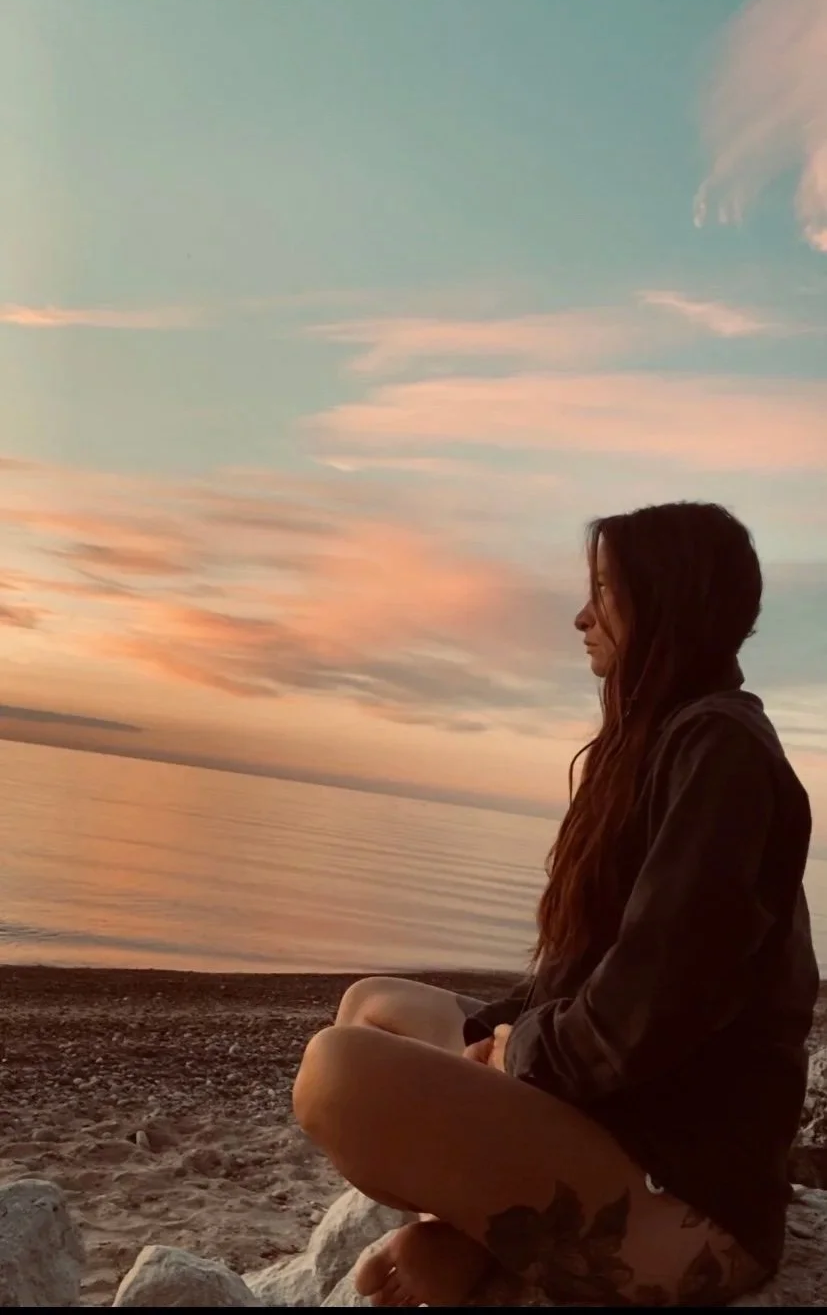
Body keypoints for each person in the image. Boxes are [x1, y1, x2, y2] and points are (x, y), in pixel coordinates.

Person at [292, 501, 819, 1307]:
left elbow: (654, 999)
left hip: (685, 1196)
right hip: (620, 1119)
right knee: (376, 1005)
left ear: (666, 598)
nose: (581, 616)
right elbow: (590, 971)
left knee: (338, 1074)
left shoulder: (724, 755)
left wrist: (518, 1054)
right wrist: (501, 1032)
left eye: (603, 590)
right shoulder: (661, 740)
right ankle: (478, 1236)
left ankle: (486, 1246)